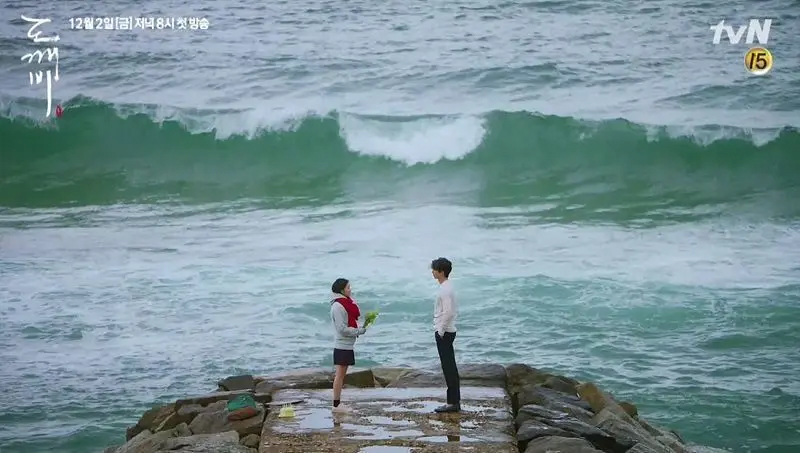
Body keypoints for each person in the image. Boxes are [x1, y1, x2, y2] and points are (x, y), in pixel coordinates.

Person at [329, 278, 367, 413]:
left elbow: (350, 321)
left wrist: (363, 326)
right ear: (341, 290)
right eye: (348, 287)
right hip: (342, 345)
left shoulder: (345, 303)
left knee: (341, 375)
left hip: (347, 345)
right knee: (339, 376)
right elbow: (342, 329)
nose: (350, 289)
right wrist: (358, 331)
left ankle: (337, 403)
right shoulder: (338, 306)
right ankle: (336, 405)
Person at [431, 257, 460, 413]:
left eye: (434, 269)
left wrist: (440, 330)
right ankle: (453, 401)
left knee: (448, 367)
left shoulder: (445, 289)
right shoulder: (447, 287)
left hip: (445, 332)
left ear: (441, 271)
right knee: (449, 367)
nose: (432, 272)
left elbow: (448, 312)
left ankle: (452, 403)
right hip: (447, 330)